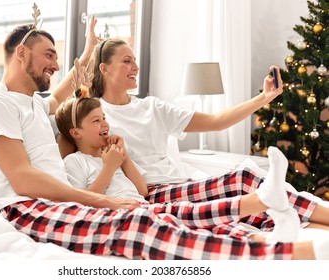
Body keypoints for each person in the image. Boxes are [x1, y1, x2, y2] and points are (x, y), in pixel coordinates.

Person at [0, 14, 328, 260]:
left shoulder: (33, 107)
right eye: (48, 55)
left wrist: (88, 51)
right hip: (28, 206)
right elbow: (22, 179)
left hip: (67, 200)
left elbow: (61, 93)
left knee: (154, 214)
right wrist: (97, 199)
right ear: (21, 53)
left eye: (58, 57)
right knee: (139, 220)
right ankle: (283, 254)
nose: (56, 64)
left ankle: (268, 219)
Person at [76, 38, 329, 233]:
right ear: (104, 68)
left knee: (251, 205)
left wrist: (264, 98)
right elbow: (60, 112)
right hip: (152, 192)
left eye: (135, 60)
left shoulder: (153, 108)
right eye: (126, 61)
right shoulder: (95, 114)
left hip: (180, 183)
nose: (135, 67)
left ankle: (312, 227)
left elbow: (217, 122)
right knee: (243, 178)